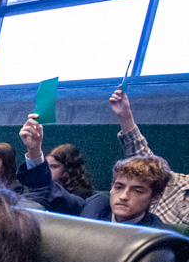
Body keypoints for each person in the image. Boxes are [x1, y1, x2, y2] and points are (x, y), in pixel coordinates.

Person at [17, 114, 169, 227]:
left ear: (155, 197)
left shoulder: (159, 238)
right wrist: (34, 151)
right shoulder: (96, 206)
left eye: (137, 191)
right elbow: (47, 191)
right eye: (119, 187)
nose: (123, 196)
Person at [109, 88, 189, 226]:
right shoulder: (176, 183)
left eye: (137, 191)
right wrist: (125, 116)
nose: (124, 196)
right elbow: (141, 157)